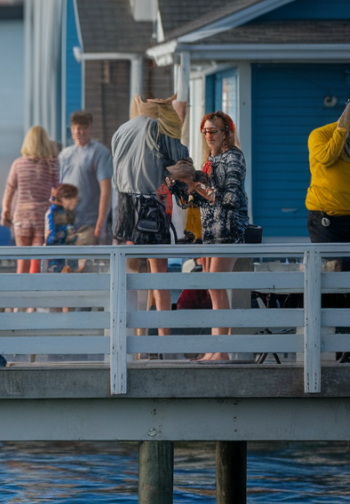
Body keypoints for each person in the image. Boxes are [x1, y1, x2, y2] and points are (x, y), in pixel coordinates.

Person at [169, 111, 247, 361]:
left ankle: (222, 351)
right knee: (214, 289)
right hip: (210, 233)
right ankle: (216, 349)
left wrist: (197, 184)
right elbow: (194, 201)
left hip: (229, 230)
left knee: (216, 285)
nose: (208, 135)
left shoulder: (233, 157)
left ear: (227, 133)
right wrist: (180, 187)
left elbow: (231, 198)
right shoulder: (209, 161)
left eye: (213, 131)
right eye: (205, 131)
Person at [112, 94, 187, 341]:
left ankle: (130, 340)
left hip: (123, 208)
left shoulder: (122, 129)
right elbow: (182, 162)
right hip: (149, 207)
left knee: (129, 276)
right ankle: (164, 341)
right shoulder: (159, 129)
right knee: (158, 275)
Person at [1, 126, 60, 274]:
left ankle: (19, 292)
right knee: (37, 258)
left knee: (22, 258)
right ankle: (35, 292)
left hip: (21, 216)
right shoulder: (51, 164)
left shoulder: (18, 164)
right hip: (42, 216)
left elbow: (10, 189)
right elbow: (57, 190)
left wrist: (6, 211)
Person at [58, 111, 113, 245]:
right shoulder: (65, 154)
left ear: (89, 129)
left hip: (90, 222)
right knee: (65, 264)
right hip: (67, 222)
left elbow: (106, 190)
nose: (79, 132)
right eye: (75, 128)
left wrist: (101, 223)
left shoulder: (99, 153)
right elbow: (58, 187)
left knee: (85, 263)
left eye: (82, 128)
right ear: (71, 129)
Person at [306, 97, 350, 247]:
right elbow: (327, 157)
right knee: (332, 266)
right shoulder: (320, 135)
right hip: (326, 219)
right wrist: (343, 129)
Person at [45, 183, 79, 274]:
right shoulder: (56, 212)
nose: (76, 201)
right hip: (57, 254)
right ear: (65, 199)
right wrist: (69, 236)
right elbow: (53, 235)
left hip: (65, 253)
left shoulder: (65, 211)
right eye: (74, 198)